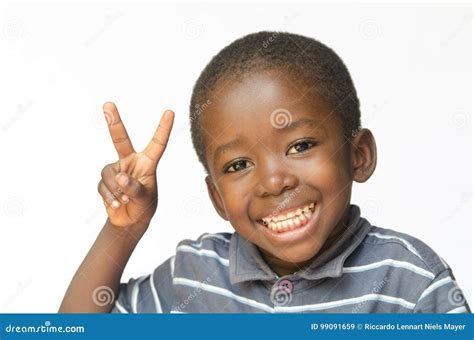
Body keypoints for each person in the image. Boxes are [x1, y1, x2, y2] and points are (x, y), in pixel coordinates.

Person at [59, 31, 471, 313]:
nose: (274, 181)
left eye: (301, 146)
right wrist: (124, 229)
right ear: (217, 197)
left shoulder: (409, 280)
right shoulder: (195, 275)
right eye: (238, 165)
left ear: (359, 155)